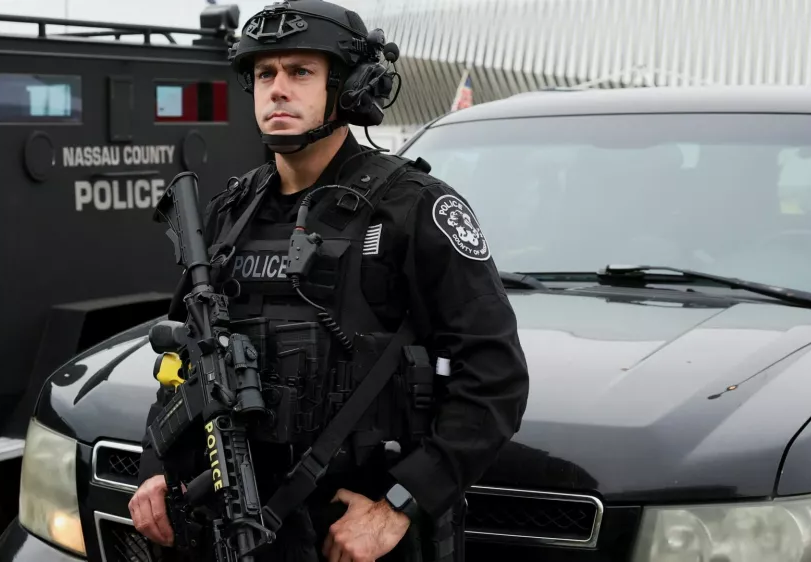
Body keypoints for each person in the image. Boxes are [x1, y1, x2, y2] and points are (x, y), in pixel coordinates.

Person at [128, 1, 530, 561]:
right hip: (236, 528)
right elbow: (185, 360)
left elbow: (495, 377)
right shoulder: (229, 214)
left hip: (353, 532)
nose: (277, 89)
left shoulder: (411, 209)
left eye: (301, 72)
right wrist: (157, 467)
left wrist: (398, 505)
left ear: (348, 86)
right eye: (265, 73)